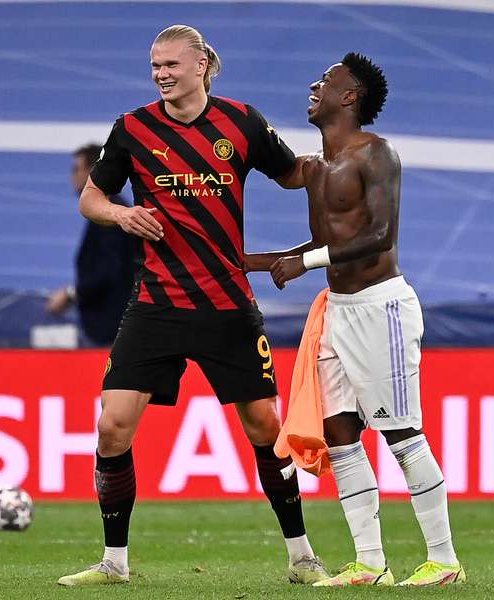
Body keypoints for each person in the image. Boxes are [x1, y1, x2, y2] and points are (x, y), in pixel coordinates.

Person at [57, 24, 328, 587]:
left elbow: (292, 174)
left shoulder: (243, 122)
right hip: (157, 302)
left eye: (170, 65)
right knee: (113, 427)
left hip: (227, 302)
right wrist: (120, 215)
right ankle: (114, 563)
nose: (160, 74)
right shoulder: (132, 128)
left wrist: (340, 160)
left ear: (201, 64)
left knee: (264, 426)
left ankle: (302, 557)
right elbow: (91, 197)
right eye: (154, 65)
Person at [246, 53, 465, 587]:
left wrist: (306, 262)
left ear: (351, 97)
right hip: (338, 312)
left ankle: (444, 562)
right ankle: (370, 563)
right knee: (340, 432)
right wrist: (251, 261)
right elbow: (327, 241)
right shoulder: (317, 166)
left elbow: (379, 236)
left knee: (401, 432)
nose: (314, 85)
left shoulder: (377, 153)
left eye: (326, 81)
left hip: (381, 306)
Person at [46, 144, 134, 346]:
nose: (73, 176)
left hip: (112, 328)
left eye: (76, 169)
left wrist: (70, 294)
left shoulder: (111, 214)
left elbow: (108, 271)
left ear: (92, 172)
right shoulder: (109, 211)